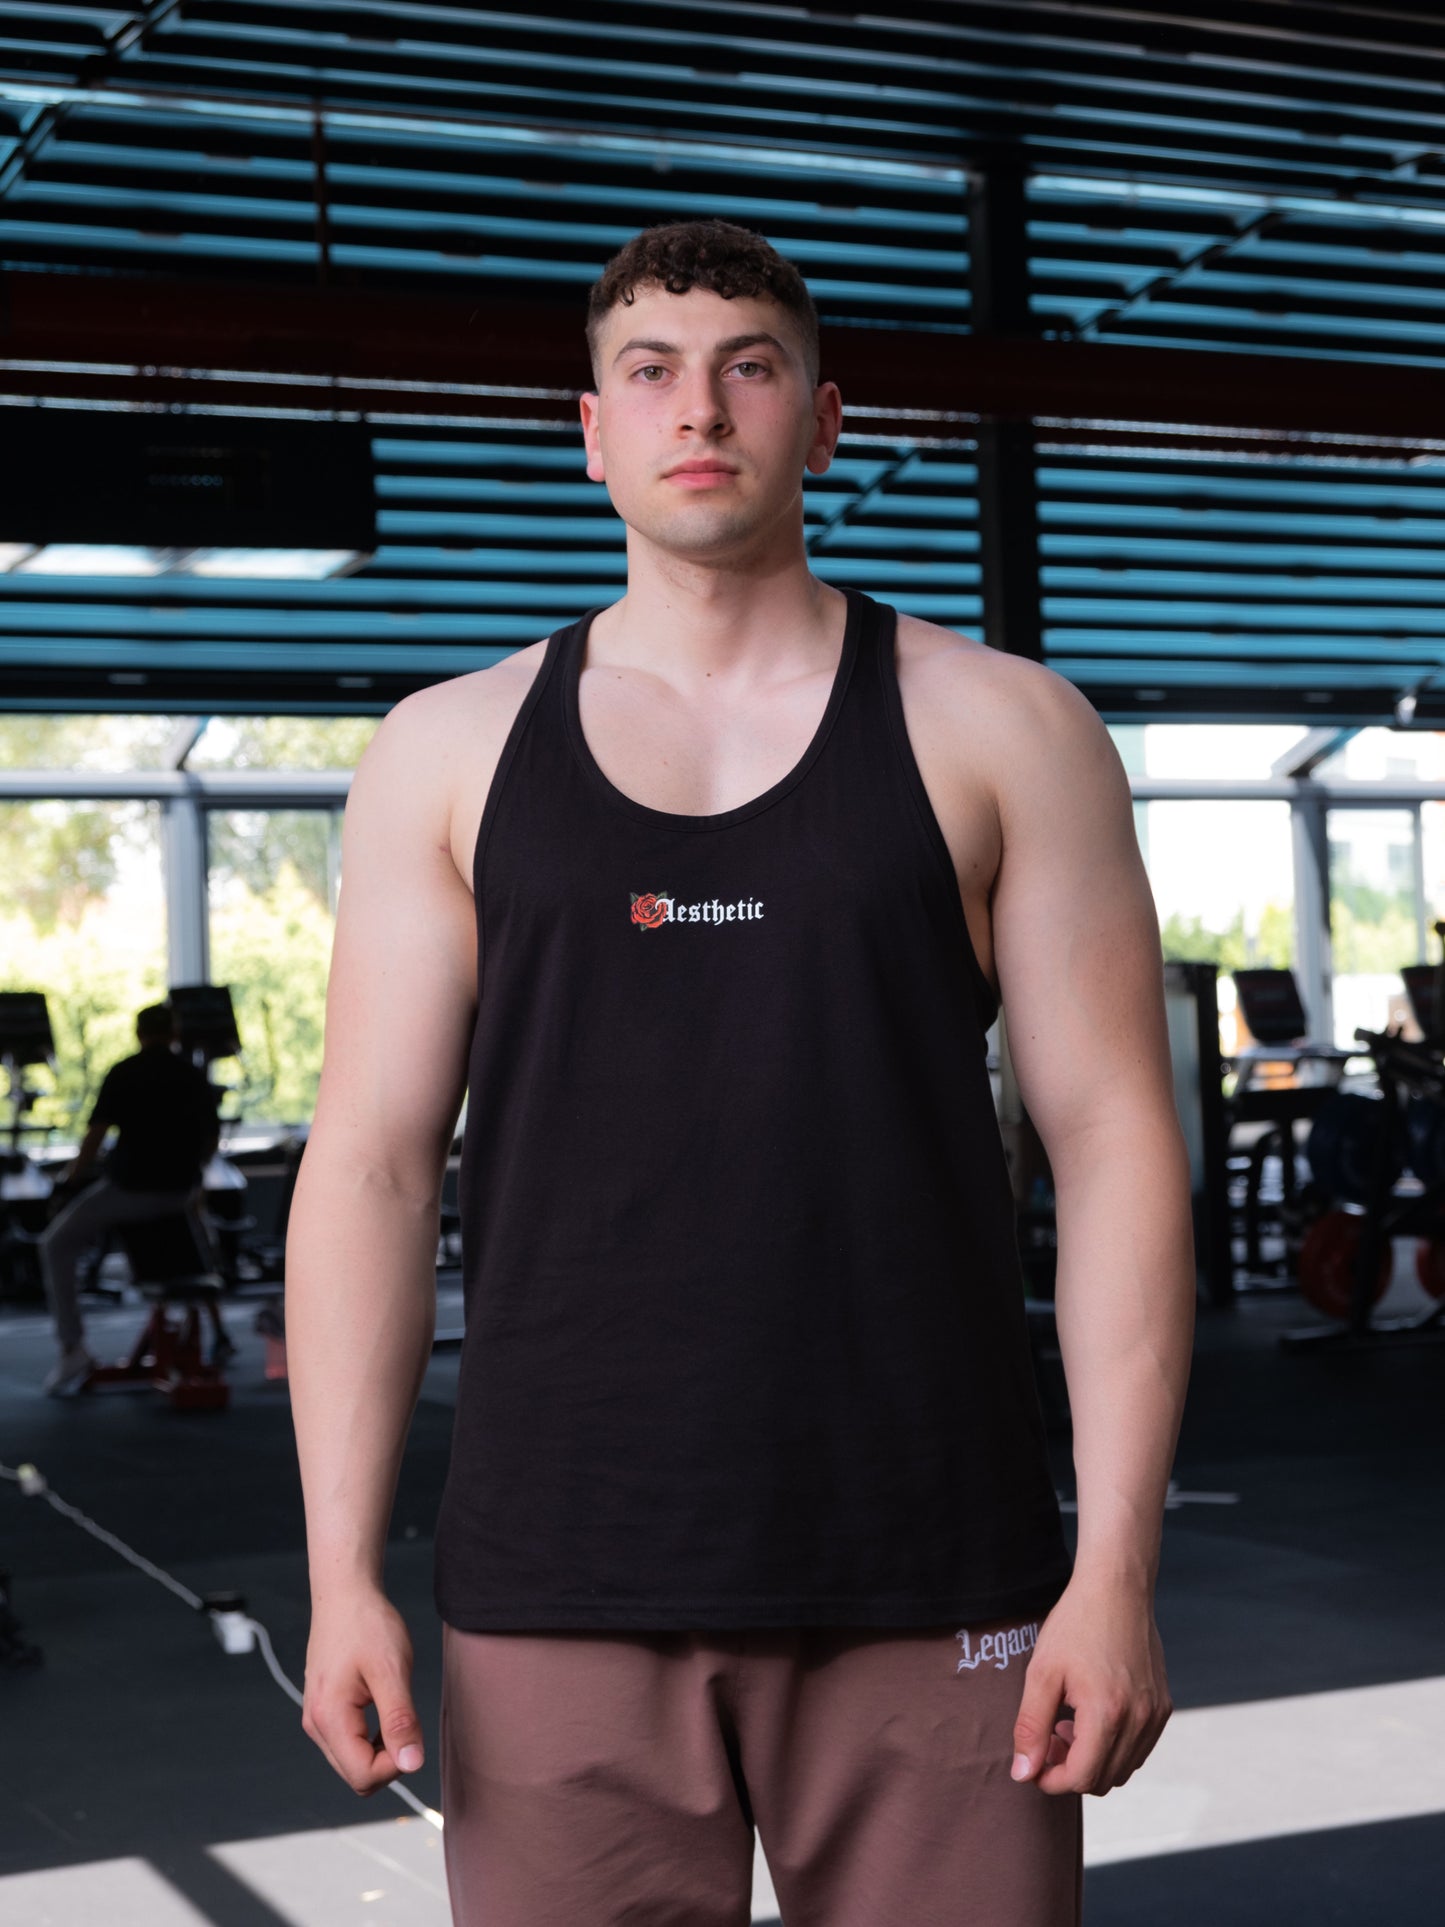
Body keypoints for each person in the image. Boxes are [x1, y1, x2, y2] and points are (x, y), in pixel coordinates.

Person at [288, 218, 1196, 1925]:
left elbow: (1114, 1146)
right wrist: (339, 1571)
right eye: (650, 373)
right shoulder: (445, 749)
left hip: (935, 1563)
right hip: (559, 1573)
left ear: (824, 420)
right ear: (593, 432)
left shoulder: (1006, 726)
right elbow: (373, 1165)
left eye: (749, 368)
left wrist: (1117, 1565)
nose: (699, 408)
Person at [39, 1001, 221, 1395]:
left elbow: (94, 1139)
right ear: (174, 1034)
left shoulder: (124, 1072)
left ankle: (72, 1347)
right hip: (180, 1194)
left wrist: (67, 1184)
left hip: (130, 1191)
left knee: (54, 1244)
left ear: (138, 1034)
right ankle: (217, 1330)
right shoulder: (192, 1075)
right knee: (199, 1232)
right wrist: (190, 1178)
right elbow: (210, 1142)